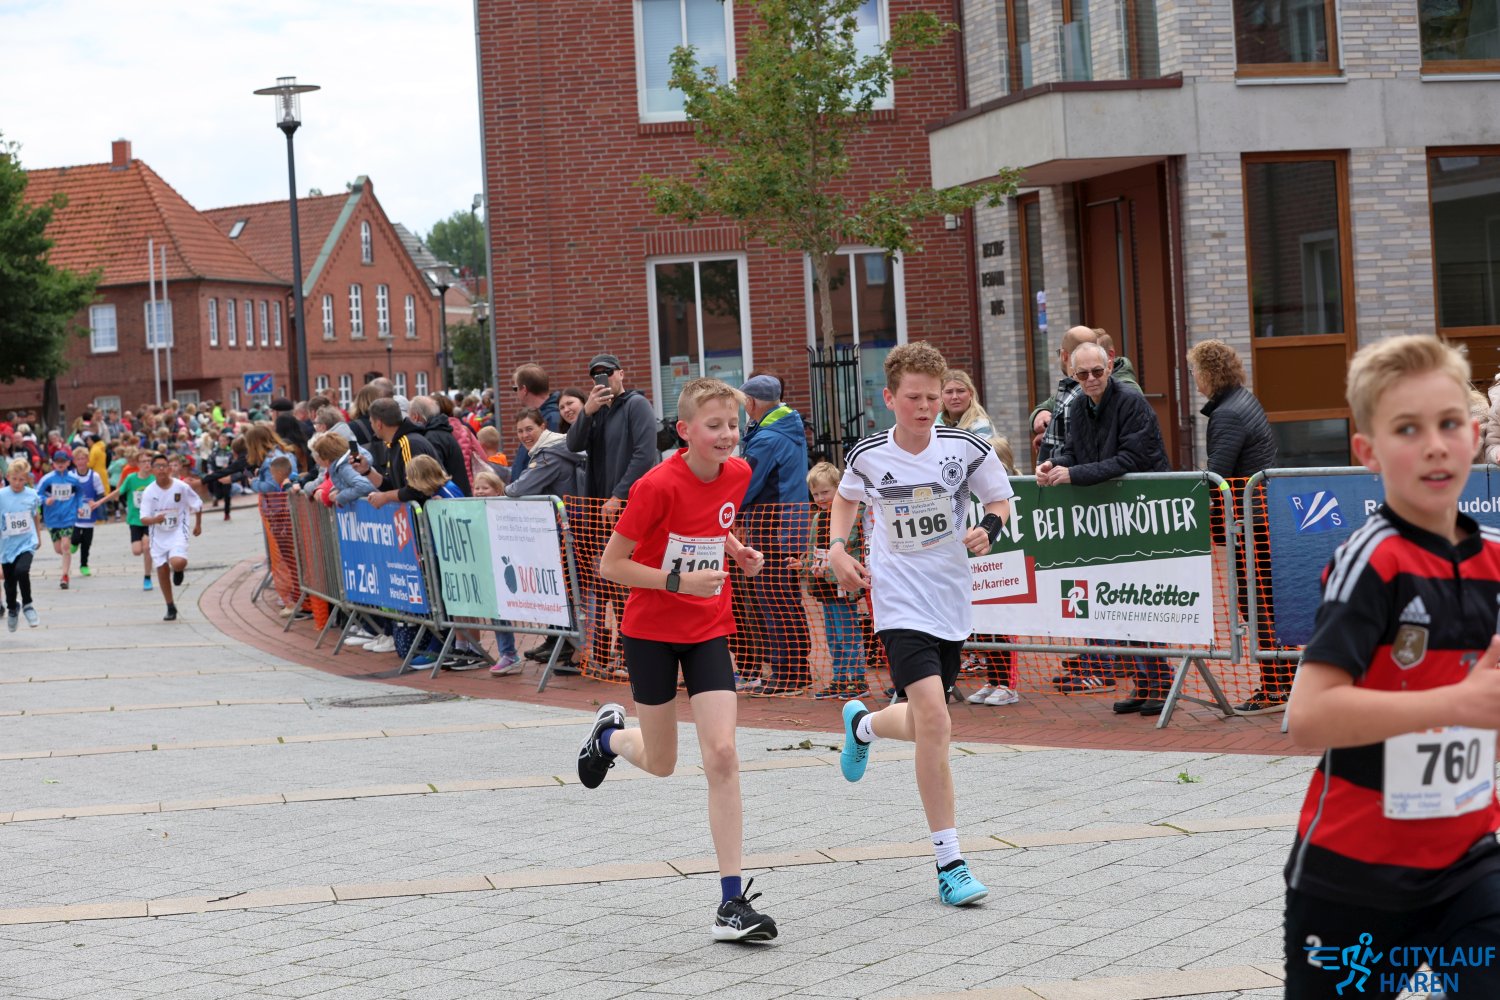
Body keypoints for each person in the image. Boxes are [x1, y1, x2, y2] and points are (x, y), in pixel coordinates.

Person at [1283, 334, 1500, 1000]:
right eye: (1408, 429)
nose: (1435, 445)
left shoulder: (1496, 560)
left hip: (1468, 866)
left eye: (1450, 423)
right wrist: (1456, 705)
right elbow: (1308, 717)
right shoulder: (1374, 559)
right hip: (1352, 881)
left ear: (1475, 436)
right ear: (1368, 452)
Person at [576, 377, 777, 942]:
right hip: (651, 633)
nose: (727, 435)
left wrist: (738, 551)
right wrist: (677, 582)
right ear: (685, 431)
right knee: (662, 761)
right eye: (714, 426)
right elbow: (611, 565)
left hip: (708, 627)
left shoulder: (738, 473)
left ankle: (731, 903)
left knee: (723, 754)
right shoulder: (655, 485)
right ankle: (609, 738)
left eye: (733, 424)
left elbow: (715, 523)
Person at [828, 341, 1014, 908]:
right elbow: (845, 500)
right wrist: (837, 548)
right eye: (913, 398)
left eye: (933, 398)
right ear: (889, 398)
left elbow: (1001, 501)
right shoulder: (868, 454)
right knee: (935, 717)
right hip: (898, 600)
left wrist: (989, 529)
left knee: (927, 722)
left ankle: (863, 726)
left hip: (950, 600)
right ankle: (950, 863)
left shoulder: (966, 448)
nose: (925, 407)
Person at [1038, 341, 1172, 714]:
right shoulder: (1078, 406)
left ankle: (1161, 683)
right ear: (1073, 375)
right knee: (1121, 603)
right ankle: (1143, 684)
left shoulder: (1131, 401)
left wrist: (1074, 473)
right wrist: (1054, 465)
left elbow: (1131, 458)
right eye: (1082, 374)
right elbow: (1077, 452)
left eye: (1097, 371)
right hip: (1108, 518)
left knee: (1143, 602)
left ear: (1109, 367)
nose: (1091, 379)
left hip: (1142, 513)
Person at [1185, 339, 1283, 714]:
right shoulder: (1244, 399)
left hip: (1252, 521)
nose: (1194, 377)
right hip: (1262, 515)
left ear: (1208, 373)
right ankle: (1283, 682)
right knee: (1266, 601)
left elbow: (1218, 476)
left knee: (1257, 603)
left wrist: (1195, 507)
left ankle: (1275, 687)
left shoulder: (1227, 414)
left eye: (1195, 370)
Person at [563, 353, 660, 672]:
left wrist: (619, 494)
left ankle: (636, 654)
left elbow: (645, 455)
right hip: (599, 513)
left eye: (607, 373)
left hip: (627, 509)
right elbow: (573, 444)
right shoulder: (596, 411)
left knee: (626, 586)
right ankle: (608, 654)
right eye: (596, 376)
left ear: (621, 373)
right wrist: (587, 411)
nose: (602, 379)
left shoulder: (637, 405)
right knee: (606, 585)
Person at [737, 374, 812, 695]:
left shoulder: (768, 438)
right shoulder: (785, 428)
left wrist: (729, 508)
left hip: (773, 527)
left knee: (775, 599)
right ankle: (794, 670)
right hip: (787, 524)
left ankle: (788, 673)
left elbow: (746, 482)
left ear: (752, 402)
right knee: (786, 599)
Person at [796, 461, 865, 699]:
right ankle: (839, 678)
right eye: (815, 494)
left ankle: (857, 678)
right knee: (833, 636)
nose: (820, 498)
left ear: (838, 488)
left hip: (842, 584)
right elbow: (813, 549)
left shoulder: (850, 513)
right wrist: (804, 565)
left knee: (848, 633)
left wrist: (830, 568)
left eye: (825, 492)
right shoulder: (818, 518)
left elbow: (851, 546)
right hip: (824, 586)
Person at [138, 452, 203, 622]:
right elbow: (143, 518)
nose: (161, 469)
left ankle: (179, 570)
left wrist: (198, 524)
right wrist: (155, 519)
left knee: (178, 562)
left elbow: (197, 504)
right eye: (158, 466)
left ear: (169, 468)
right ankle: (170, 606)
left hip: (178, 531)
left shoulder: (181, 487)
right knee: (162, 569)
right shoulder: (149, 491)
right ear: (152, 470)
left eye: (164, 466)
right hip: (158, 535)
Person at [1031, 326, 1099, 464]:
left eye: (1098, 371)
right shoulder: (1068, 391)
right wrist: (1040, 414)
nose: (1091, 379)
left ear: (1064, 355)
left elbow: (1073, 452)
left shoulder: (1077, 395)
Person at [95, 452, 159, 589]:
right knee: (137, 551)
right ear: (138, 464)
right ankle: (149, 558)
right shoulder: (131, 479)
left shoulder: (155, 479)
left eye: (149, 461)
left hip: (150, 519)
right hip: (135, 520)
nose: (147, 464)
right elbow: (118, 491)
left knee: (147, 546)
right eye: (143, 461)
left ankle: (147, 577)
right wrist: (100, 501)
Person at [363, 397, 440, 510]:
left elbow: (415, 489)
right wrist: (366, 471)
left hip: (428, 515)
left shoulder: (408, 444)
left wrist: (385, 497)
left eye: (371, 422)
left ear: (379, 424)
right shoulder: (395, 444)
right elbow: (393, 486)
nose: (371, 427)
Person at [506, 409, 586, 499]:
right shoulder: (556, 446)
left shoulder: (548, 456)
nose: (525, 435)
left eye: (529, 429)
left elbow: (519, 489)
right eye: (520, 431)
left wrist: (503, 491)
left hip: (564, 508)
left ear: (542, 427)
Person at [2, 457, 42, 630]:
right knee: (9, 583)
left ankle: (28, 605)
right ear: (8, 477)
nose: (18, 483)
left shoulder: (32, 495)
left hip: (27, 543)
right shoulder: (2, 496)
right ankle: (12, 608)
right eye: (14, 479)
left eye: (21, 479)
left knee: (22, 570)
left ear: (27, 479)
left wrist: (38, 536)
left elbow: (35, 516)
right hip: (7, 546)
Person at [407, 396, 472, 497]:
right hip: (458, 495)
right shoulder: (441, 432)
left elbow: (433, 477)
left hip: (450, 500)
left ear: (415, 417)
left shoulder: (431, 438)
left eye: (409, 416)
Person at [36, 450, 80, 590]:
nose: (60, 464)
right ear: (53, 463)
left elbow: (80, 494)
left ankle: (65, 576)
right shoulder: (47, 479)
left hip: (68, 517)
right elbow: (37, 495)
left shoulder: (74, 479)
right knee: (58, 549)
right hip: (52, 519)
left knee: (65, 546)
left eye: (63, 461)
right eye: (57, 462)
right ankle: (68, 554)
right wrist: (45, 500)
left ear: (68, 463)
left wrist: (79, 507)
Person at [511, 364, 563, 476]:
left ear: (524, 390)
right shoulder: (546, 416)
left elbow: (548, 464)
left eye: (515, 388)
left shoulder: (552, 419)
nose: (524, 435)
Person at [68, 446, 105, 577]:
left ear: (87, 460)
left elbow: (101, 493)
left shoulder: (94, 476)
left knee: (86, 542)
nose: (81, 462)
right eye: (78, 459)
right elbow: (67, 492)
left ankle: (84, 565)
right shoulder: (71, 475)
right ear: (74, 461)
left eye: (83, 458)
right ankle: (74, 543)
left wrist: (96, 503)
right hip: (75, 512)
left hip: (90, 513)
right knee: (76, 536)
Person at [937, 370, 995, 440]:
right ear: (941, 396)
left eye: (961, 391)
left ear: (971, 394)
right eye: (949, 392)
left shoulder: (980, 425)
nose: (954, 397)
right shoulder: (933, 423)